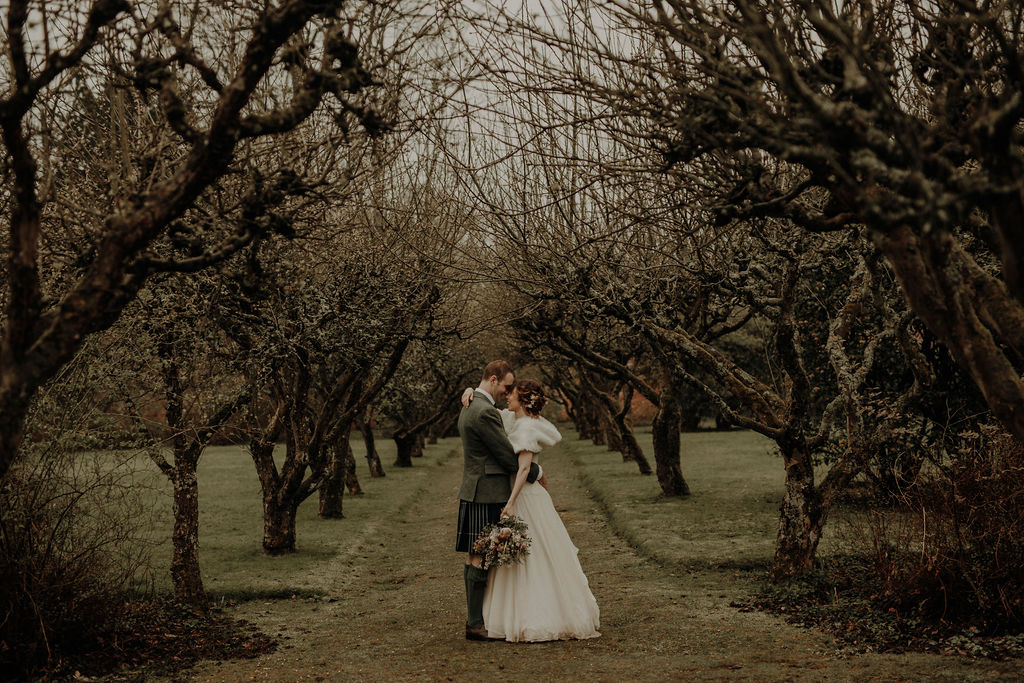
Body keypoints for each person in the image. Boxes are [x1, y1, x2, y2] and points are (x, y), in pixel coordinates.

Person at [462, 379, 601, 642]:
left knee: (534, 557)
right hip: (521, 494)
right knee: (520, 557)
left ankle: (536, 614)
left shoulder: (526, 428)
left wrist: (511, 502)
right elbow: (487, 409)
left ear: (523, 400)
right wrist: (470, 391)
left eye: (511, 395)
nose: (506, 398)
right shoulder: (514, 419)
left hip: (525, 497)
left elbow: (524, 469)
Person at [456, 360, 542, 641]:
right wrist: (536, 471)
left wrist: (468, 388)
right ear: (493, 380)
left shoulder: (471, 404)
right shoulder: (483, 412)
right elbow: (506, 455)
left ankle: (475, 620)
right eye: (506, 386)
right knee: (481, 555)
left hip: (474, 488)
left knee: (474, 555)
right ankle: (475, 623)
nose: (508, 392)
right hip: (487, 490)